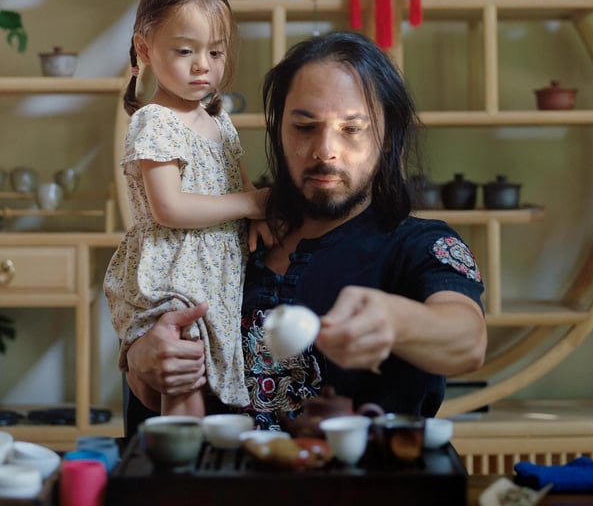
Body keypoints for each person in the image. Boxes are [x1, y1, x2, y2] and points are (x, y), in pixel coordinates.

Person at [122, 30, 487, 434]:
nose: (324, 150)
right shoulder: (218, 238)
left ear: (386, 140)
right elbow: (150, 379)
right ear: (279, 132)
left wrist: (397, 322)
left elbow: (467, 340)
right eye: (304, 126)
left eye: (352, 129)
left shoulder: (422, 245)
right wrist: (143, 360)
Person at [103, 0, 269, 419]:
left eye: (214, 52)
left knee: (215, 387)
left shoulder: (220, 122)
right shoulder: (155, 121)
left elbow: (243, 189)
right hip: (173, 274)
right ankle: (181, 484)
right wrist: (254, 204)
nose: (203, 65)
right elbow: (169, 207)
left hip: (217, 275)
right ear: (145, 50)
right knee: (186, 378)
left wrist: (257, 214)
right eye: (185, 51)